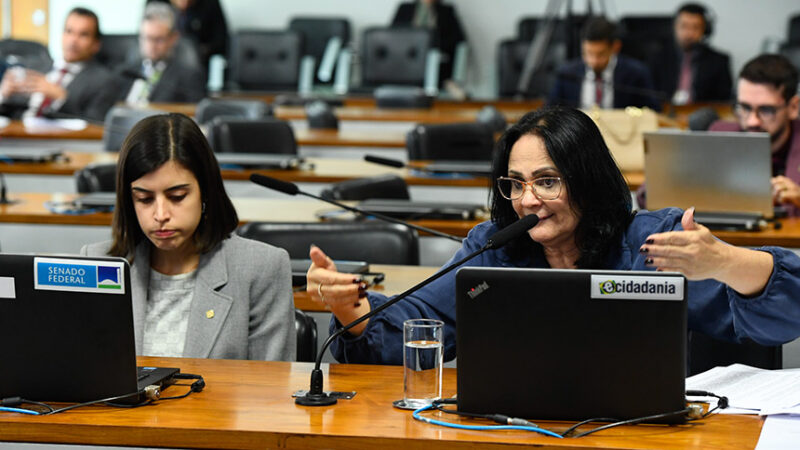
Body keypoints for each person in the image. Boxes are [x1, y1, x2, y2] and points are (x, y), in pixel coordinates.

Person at [307, 106, 800, 365]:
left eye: (547, 181)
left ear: (586, 180)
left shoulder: (653, 243)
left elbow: (781, 315)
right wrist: (354, 313)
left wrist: (726, 263)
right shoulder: (494, 248)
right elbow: (422, 324)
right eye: (515, 184)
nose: (527, 201)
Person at [82, 113, 295, 361]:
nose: (160, 215)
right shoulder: (96, 263)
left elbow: (270, 388)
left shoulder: (262, 267)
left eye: (177, 196)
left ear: (205, 192)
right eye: (144, 199)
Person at [709, 54, 800, 215]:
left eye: (766, 110)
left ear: (793, 107)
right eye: (744, 107)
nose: (752, 122)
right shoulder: (719, 136)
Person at [0, 7, 118, 121]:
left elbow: (95, 125)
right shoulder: (35, 67)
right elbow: (9, 111)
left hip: (58, 139)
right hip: (16, 134)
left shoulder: (104, 81)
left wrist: (61, 98)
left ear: (95, 44)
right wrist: (3, 94)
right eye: (69, 31)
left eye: (83, 34)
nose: (73, 40)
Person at [548, 16, 660, 111]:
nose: (594, 61)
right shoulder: (567, 74)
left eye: (600, 54)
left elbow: (652, 112)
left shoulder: (636, 74)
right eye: (588, 53)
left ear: (615, 47)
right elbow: (550, 112)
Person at [119, 2, 206, 104]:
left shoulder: (188, 77)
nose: (151, 45)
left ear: (173, 38)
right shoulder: (126, 72)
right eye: (147, 38)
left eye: (158, 39)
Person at [650, 3, 732, 104]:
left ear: (705, 31)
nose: (689, 33)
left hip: (703, 115)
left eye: (695, 27)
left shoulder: (719, 61)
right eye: (684, 26)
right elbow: (650, 95)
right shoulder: (658, 58)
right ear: (674, 27)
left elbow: (724, 101)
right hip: (665, 114)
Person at [391, 0, 466, 86]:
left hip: (436, 61)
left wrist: (433, 45)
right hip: (407, 59)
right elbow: (393, 36)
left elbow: (458, 39)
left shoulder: (446, 11)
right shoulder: (405, 8)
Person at [147, 0, 229, 74]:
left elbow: (221, 41)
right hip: (157, 65)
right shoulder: (155, 4)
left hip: (200, 65)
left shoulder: (210, 4)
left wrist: (200, 51)